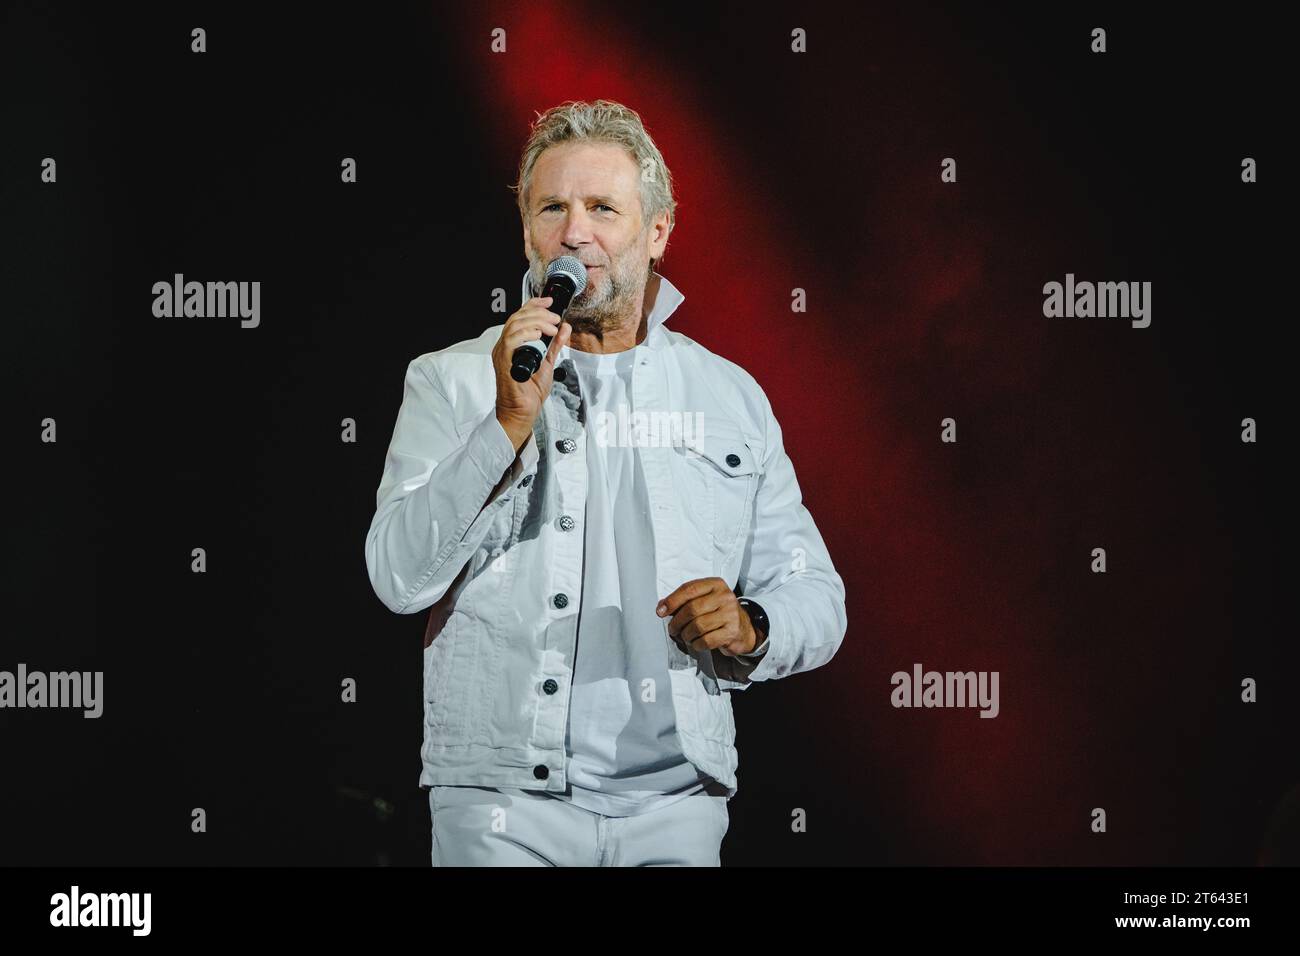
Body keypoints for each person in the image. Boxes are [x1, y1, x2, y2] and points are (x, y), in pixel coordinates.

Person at [365, 99, 847, 866]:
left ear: (657, 232)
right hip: (502, 803)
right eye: (551, 207)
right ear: (527, 230)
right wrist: (505, 426)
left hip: (673, 804)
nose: (574, 232)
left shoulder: (727, 397)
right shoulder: (452, 381)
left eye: (601, 208)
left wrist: (753, 624)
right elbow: (397, 576)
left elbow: (817, 595)